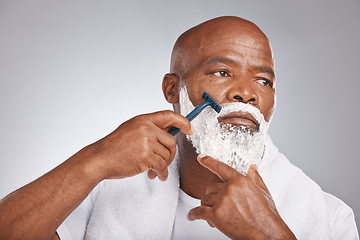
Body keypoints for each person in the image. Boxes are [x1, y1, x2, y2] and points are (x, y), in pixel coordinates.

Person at [0, 16, 358, 240]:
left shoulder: (330, 218)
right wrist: (94, 161)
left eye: (264, 81)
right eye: (222, 72)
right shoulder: (101, 194)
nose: (246, 93)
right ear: (173, 89)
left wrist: (268, 235)